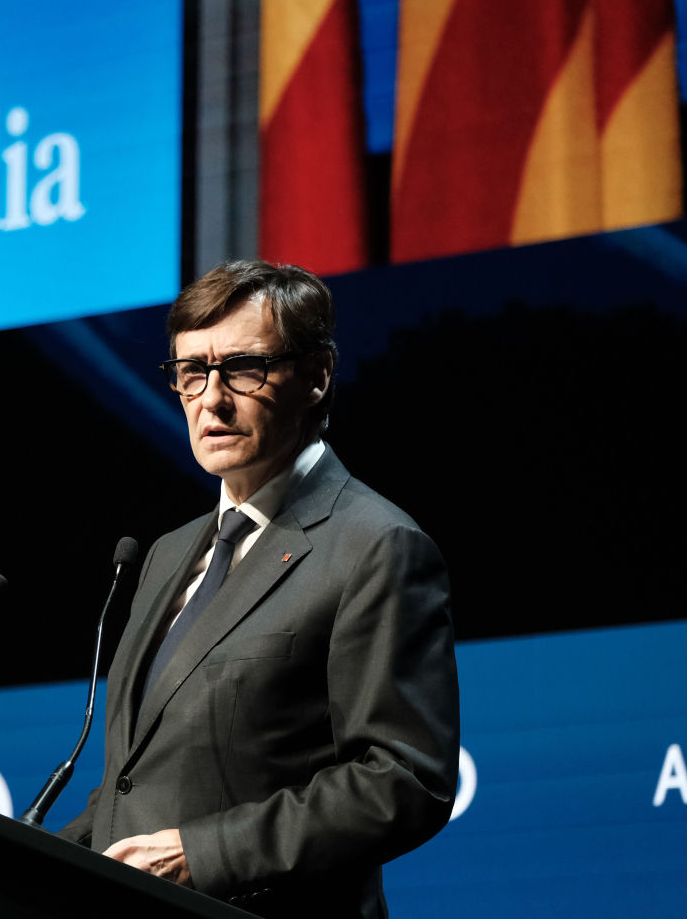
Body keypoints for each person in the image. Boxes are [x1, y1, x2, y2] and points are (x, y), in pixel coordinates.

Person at [60, 260, 459, 918]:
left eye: (243, 368)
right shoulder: (163, 556)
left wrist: (207, 853)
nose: (212, 400)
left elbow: (403, 780)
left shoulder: (375, 545)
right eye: (192, 373)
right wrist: (23, 856)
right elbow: (141, 787)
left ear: (318, 375)